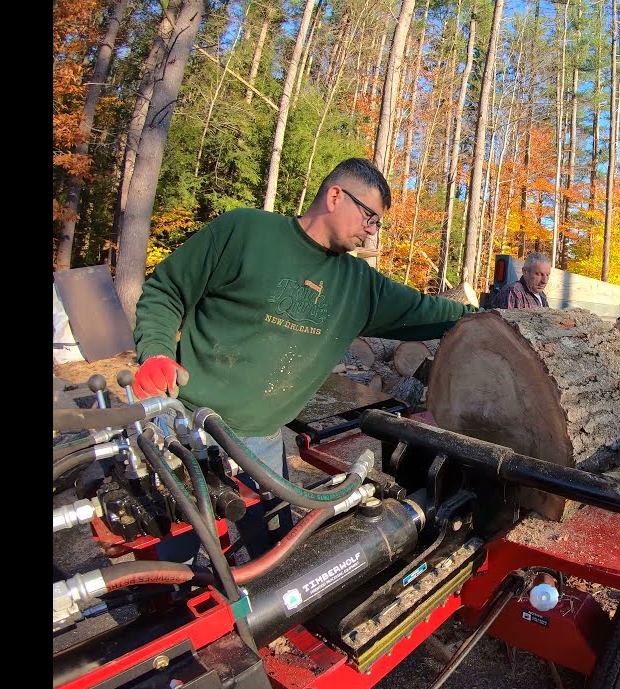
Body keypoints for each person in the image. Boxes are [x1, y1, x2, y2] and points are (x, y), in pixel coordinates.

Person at [131, 157, 478, 558]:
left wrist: (500, 319)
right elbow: (165, 291)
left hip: (261, 439)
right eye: (369, 217)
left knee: (273, 558)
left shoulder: (359, 285)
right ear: (334, 196)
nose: (371, 232)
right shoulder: (246, 232)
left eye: (377, 223)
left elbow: (431, 311)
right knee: (180, 553)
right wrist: (155, 352)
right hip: (185, 427)